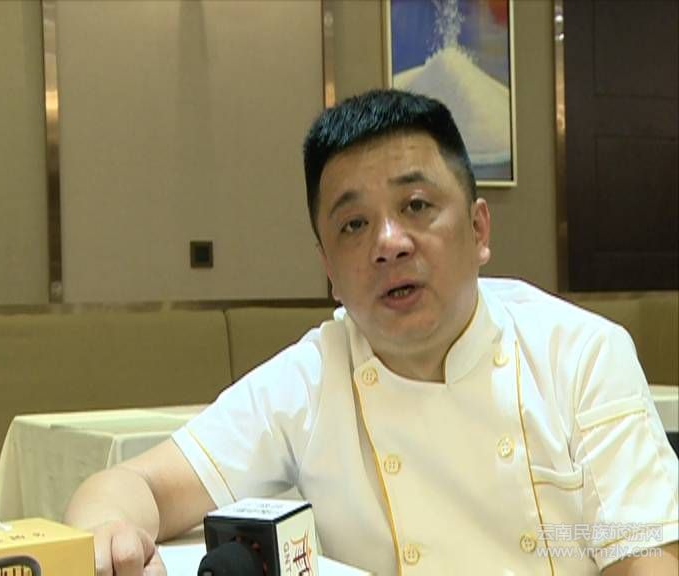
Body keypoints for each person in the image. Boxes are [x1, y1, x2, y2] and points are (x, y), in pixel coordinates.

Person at [65, 90, 678, 575]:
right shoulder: (311, 378)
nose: (389, 243)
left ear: (478, 229)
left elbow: (648, 557)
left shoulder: (581, 354)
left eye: (416, 206)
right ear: (329, 271)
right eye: (354, 224)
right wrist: (107, 533)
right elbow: (132, 484)